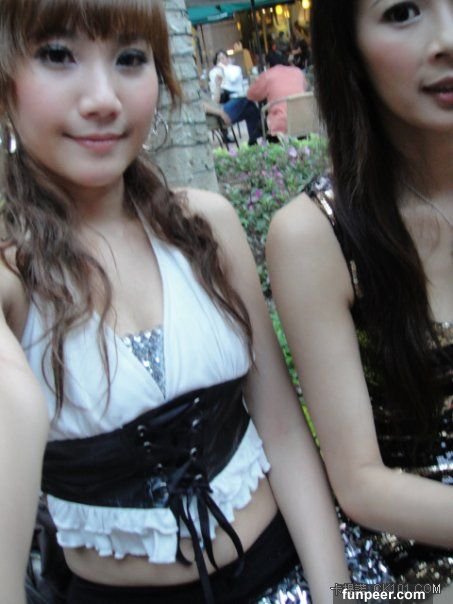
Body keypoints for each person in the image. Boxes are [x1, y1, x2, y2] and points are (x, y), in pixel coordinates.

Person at [0, 1, 350, 603]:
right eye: (58, 55)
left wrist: (337, 594)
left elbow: (284, 432)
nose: (103, 99)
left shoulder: (205, 226)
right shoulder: (12, 278)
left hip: (287, 575)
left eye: (130, 58)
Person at [267, 0, 453, 599]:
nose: (447, 38)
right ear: (346, 46)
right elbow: (361, 484)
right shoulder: (316, 235)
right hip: (404, 562)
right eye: (403, 12)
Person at [247, 53, 307, 137]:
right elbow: (305, 87)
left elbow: (250, 95)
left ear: (268, 64)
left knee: (257, 132)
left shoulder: (267, 75)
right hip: (303, 119)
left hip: (280, 123)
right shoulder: (298, 72)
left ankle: (254, 142)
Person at [209, 50, 262, 145]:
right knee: (247, 100)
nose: (221, 61)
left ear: (228, 59)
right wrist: (218, 83)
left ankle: (253, 141)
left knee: (251, 110)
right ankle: (264, 132)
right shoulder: (214, 73)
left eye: (223, 58)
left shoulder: (235, 69)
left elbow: (233, 79)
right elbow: (215, 101)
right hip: (223, 109)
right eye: (219, 60)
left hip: (236, 103)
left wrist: (224, 69)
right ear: (216, 62)